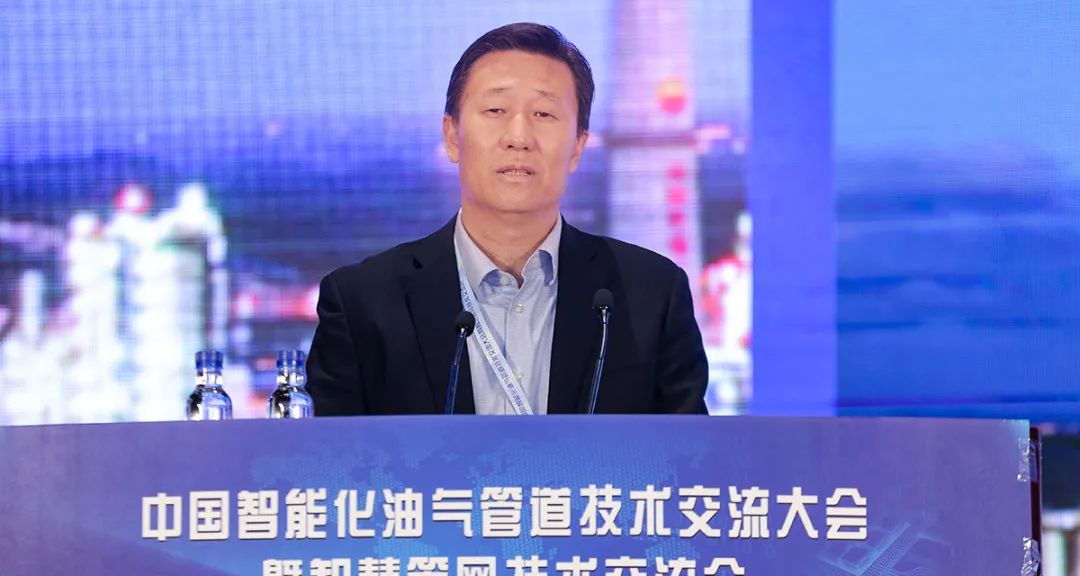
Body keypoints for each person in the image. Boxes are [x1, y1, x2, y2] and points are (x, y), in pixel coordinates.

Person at [307, 22, 707, 415]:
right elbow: (328, 455)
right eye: (496, 110)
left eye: (544, 113)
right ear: (452, 135)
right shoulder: (363, 303)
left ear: (577, 147)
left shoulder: (650, 297)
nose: (519, 137)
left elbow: (692, 454)